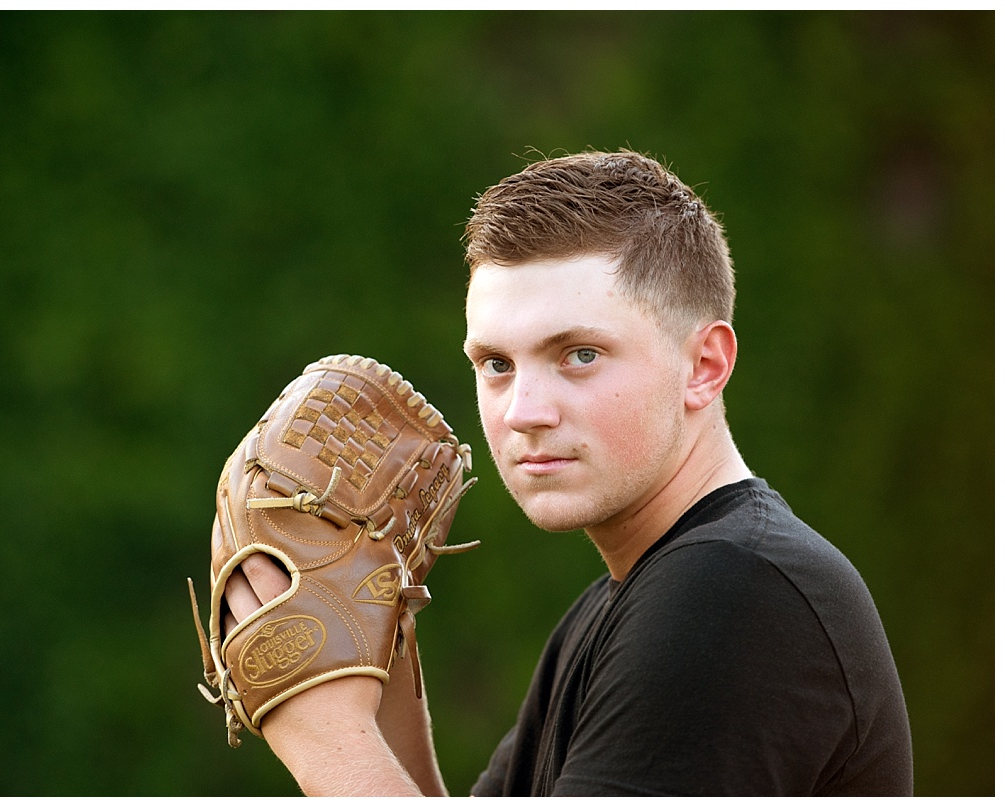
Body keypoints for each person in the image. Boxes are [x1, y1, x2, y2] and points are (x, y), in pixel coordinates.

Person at [219, 150, 914, 796]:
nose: (523, 410)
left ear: (704, 366)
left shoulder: (734, 594)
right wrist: (379, 660)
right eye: (496, 363)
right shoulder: (624, 602)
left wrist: (322, 731)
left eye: (579, 354)